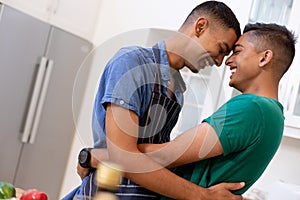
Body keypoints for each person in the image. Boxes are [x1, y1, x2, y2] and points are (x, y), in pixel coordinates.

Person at [63, 1, 243, 200]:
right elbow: (123, 156)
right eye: (221, 49)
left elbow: (153, 157)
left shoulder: (178, 89)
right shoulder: (131, 63)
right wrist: (203, 196)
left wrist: (91, 156)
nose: (218, 62)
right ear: (200, 27)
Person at [136, 22, 297, 199]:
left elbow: (163, 156)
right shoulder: (274, 115)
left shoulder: (252, 107)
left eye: (237, 51)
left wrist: (114, 148)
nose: (227, 61)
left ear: (264, 58)